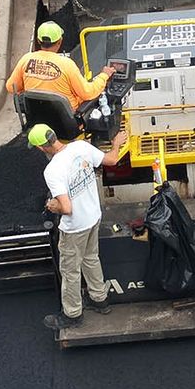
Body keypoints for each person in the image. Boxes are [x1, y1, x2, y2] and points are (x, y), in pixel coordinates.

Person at [31, 123, 130, 332]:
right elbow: (111, 160)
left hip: (75, 228)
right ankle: (100, 299)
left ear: (41, 148)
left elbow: (66, 207)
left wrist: (51, 205)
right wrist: (116, 144)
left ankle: (72, 314)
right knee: (91, 258)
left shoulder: (52, 170)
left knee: (70, 270)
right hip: (93, 217)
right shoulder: (80, 147)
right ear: (54, 136)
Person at [4, 21, 118, 110]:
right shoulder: (67, 65)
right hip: (67, 126)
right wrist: (104, 76)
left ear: (38, 40)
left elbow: (11, 87)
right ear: (60, 41)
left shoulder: (26, 59)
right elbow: (88, 93)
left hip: (37, 119)